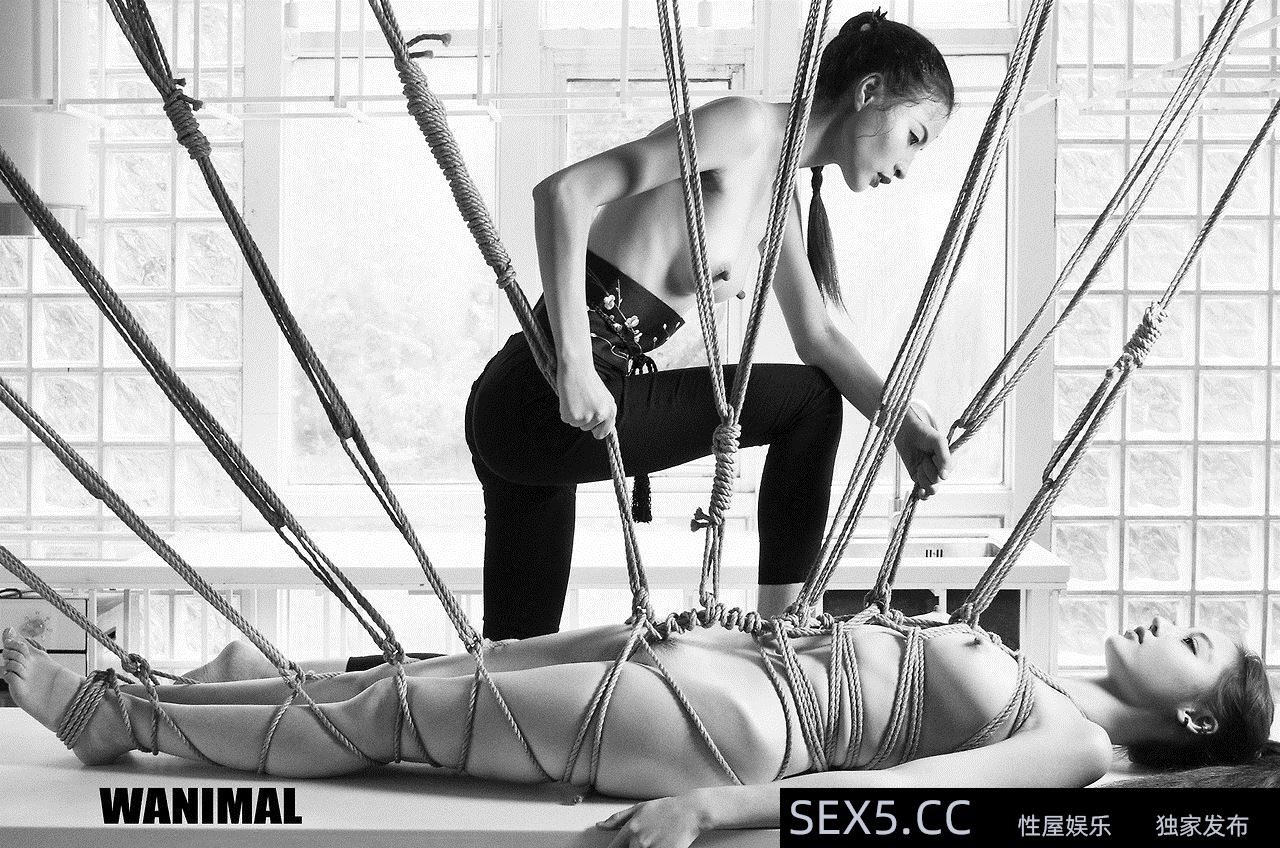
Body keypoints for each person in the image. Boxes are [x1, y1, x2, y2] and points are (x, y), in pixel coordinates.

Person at [466, 8, 956, 640]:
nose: (907, 168)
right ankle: (785, 633)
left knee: (508, 673)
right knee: (810, 404)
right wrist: (576, 369)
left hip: (543, 418)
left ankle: (340, 689)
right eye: (915, 136)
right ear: (869, 92)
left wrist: (903, 424)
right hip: (544, 397)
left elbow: (819, 338)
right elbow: (563, 194)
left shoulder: (779, 195)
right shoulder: (744, 127)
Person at [3, 613, 1273, 847]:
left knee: (398, 712)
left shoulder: (1071, 746)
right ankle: (174, 695)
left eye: (1193, 638)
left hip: (732, 723)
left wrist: (710, 807)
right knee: (416, 674)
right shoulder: (1046, 680)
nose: (1165, 620)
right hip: (723, 662)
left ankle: (119, 718)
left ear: (1195, 709)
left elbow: (895, 799)